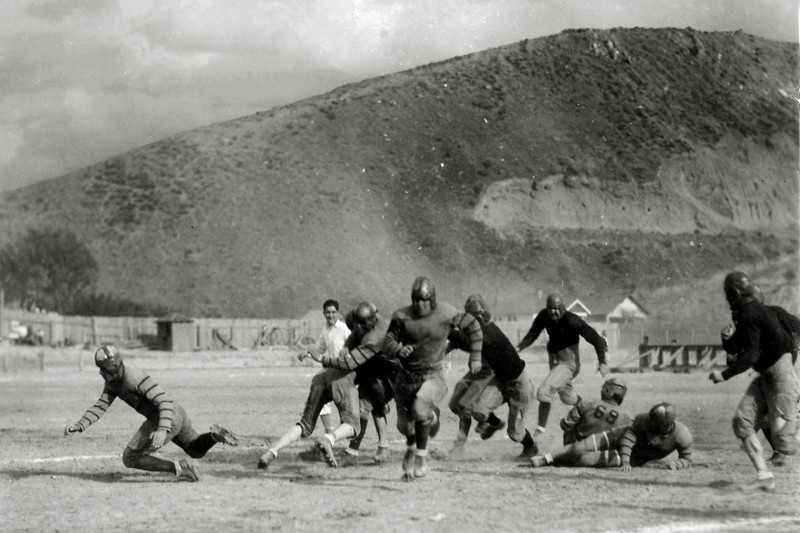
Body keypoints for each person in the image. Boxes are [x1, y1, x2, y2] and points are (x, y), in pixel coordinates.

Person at [64, 345, 239, 482]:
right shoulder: (113, 382)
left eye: (103, 369)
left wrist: (162, 429)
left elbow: (163, 400)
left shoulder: (134, 377)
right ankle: (214, 436)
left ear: (115, 366)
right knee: (195, 450)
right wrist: (80, 425)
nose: (100, 372)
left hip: (166, 415)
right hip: (175, 413)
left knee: (130, 458)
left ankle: (180, 468)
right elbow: (101, 405)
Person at [383, 276, 483, 481]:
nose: (421, 304)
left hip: (433, 375)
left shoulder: (446, 313)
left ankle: (421, 457)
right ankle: (412, 446)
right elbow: (388, 341)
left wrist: (475, 356)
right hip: (406, 377)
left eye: (425, 300)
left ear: (433, 299)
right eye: (417, 299)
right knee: (404, 426)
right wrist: (398, 350)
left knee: (420, 407)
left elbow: (473, 326)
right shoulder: (402, 316)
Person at [709, 271, 800, 491]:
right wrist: (727, 339)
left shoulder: (752, 315)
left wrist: (724, 375)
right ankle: (764, 477)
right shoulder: (751, 314)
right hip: (768, 375)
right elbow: (738, 348)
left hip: (780, 373)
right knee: (743, 423)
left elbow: (749, 356)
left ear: (734, 294)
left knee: (783, 437)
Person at [445, 294, 538, 460]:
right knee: (478, 411)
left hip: (519, 386)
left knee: (515, 432)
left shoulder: (490, 334)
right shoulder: (482, 330)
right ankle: (494, 424)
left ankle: (531, 447)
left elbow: (468, 342)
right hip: (501, 382)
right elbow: (462, 340)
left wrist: (445, 329)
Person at [516, 293, 608, 435]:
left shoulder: (572, 320)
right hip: (554, 358)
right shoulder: (544, 315)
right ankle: (591, 409)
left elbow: (596, 338)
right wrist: (520, 347)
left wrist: (602, 362)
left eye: (557, 308)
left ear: (563, 308)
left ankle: (540, 431)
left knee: (544, 392)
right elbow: (533, 333)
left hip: (569, 363)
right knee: (568, 398)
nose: (553, 312)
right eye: (550, 308)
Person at [320, 302, 395, 467]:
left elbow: (350, 363)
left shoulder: (374, 337)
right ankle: (357, 451)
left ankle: (384, 447)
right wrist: (347, 345)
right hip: (376, 367)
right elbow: (354, 335)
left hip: (392, 372)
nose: (357, 329)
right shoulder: (367, 319)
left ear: (367, 322)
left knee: (381, 407)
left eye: (360, 326)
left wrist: (323, 360)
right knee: (365, 407)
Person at [528, 377, 632, 467]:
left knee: (571, 433)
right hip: (597, 454)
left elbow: (565, 425)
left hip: (575, 448)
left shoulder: (588, 402)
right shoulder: (627, 417)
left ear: (608, 391)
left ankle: (551, 458)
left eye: (604, 387)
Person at [311, 299, 352, 434]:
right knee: (320, 397)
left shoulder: (344, 329)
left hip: (347, 373)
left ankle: (344, 438)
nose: (331, 315)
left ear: (338, 313)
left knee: (348, 408)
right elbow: (320, 348)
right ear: (324, 313)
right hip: (332, 371)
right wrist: (307, 353)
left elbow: (355, 347)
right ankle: (329, 433)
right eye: (328, 312)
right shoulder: (325, 330)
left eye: (333, 312)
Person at [618, 402, 693, 471]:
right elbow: (627, 439)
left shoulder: (681, 435)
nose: (650, 423)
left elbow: (687, 459)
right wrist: (625, 462)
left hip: (637, 456)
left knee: (611, 458)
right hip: (622, 439)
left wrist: (676, 465)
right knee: (609, 438)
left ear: (665, 426)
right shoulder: (643, 420)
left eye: (653, 423)